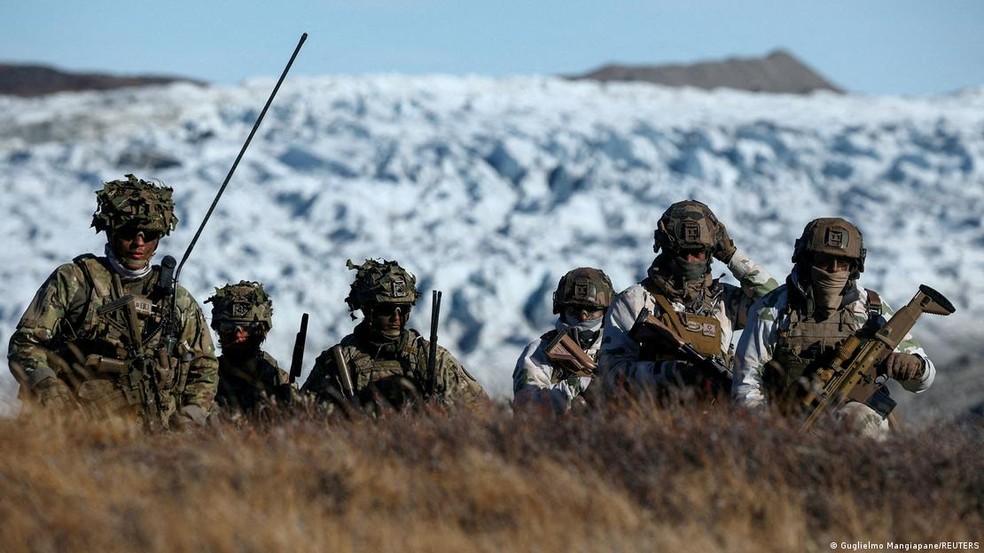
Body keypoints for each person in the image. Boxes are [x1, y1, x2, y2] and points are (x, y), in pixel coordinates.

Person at [7, 174, 218, 429]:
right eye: (129, 232)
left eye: (149, 234)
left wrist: (190, 416)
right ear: (111, 231)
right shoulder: (75, 281)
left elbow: (204, 366)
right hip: (73, 428)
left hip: (156, 433)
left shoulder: (177, 300)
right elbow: (25, 343)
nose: (139, 242)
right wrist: (51, 391)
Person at [732, 217, 935, 438]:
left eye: (843, 263)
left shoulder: (870, 309)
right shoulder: (773, 309)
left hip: (858, 426)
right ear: (806, 260)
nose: (834, 269)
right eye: (824, 261)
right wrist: (769, 433)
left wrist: (915, 366)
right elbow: (746, 385)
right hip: (790, 425)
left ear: (854, 267)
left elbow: (923, 380)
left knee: (860, 419)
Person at [599, 199, 778, 400]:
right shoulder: (635, 301)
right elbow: (610, 375)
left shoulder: (725, 301)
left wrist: (731, 255)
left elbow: (775, 303)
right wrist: (670, 373)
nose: (690, 260)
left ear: (711, 252)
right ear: (666, 249)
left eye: (698, 252)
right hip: (653, 413)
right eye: (682, 252)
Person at [302, 259, 486, 411]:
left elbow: (481, 410)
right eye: (386, 310)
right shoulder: (339, 361)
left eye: (403, 309)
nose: (397, 318)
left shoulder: (431, 358)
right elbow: (307, 416)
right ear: (367, 310)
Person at [513, 267, 614, 413]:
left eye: (592, 310)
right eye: (574, 310)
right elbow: (526, 407)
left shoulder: (619, 347)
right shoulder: (538, 352)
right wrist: (577, 386)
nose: (583, 317)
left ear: (606, 311)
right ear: (561, 309)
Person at [206, 280, 294, 421]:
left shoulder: (277, 379)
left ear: (262, 331)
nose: (238, 336)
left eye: (248, 329)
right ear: (219, 330)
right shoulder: (204, 377)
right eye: (228, 328)